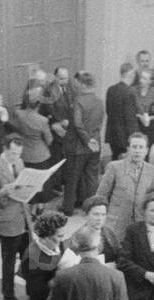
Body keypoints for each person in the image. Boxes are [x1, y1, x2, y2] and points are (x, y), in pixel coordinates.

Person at [0, 134, 28, 300]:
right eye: (12, 153)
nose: (16, 157)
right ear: (5, 149)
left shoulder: (19, 163)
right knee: (9, 260)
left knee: (27, 256)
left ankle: (30, 288)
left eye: (18, 153)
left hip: (23, 216)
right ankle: (8, 294)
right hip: (7, 220)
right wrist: (4, 191)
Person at [96, 132, 154, 242]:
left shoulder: (151, 170)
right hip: (116, 224)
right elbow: (101, 196)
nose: (137, 150)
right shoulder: (115, 167)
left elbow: (151, 198)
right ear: (128, 149)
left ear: (146, 150)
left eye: (141, 147)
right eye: (134, 147)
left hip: (139, 224)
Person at [62, 71, 105, 216]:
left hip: (78, 147)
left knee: (72, 178)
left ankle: (68, 208)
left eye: (76, 84)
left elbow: (77, 124)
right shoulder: (99, 101)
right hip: (96, 145)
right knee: (92, 178)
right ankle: (91, 207)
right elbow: (99, 123)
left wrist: (86, 140)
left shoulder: (78, 101)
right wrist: (93, 140)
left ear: (81, 84)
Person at [65, 195, 121, 264]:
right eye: (96, 214)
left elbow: (119, 253)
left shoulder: (109, 233)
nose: (100, 219)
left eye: (103, 215)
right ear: (85, 215)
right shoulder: (78, 237)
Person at [105, 62, 138, 161]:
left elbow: (108, 111)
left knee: (115, 162)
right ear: (130, 75)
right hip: (125, 137)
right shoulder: (129, 92)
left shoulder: (111, 90)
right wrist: (134, 138)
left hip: (112, 134)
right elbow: (130, 118)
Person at [130, 68, 154, 145]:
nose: (141, 80)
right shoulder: (133, 90)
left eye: (144, 79)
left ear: (150, 81)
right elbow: (129, 109)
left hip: (150, 125)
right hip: (136, 125)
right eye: (141, 77)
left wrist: (151, 118)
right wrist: (138, 116)